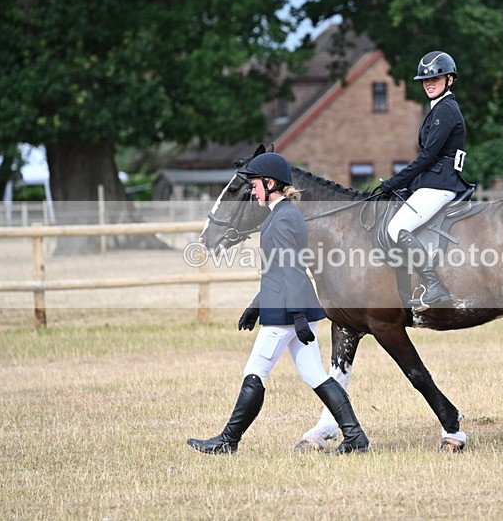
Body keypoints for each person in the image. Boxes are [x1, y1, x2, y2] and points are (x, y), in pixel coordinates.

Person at [187, 152, 369, 455]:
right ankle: (355, 437)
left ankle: (228, 441)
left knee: (255, 371)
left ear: (271, 183)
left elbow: (290, 270)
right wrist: (256, 305)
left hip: (287, 311)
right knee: (315, 375)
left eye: (256, 185)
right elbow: (277, 268)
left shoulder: (284, 218)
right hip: (288, 307)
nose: (253, 191)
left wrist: (297, 316)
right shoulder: (281, 214)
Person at [378, 51, 470, 310]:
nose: (429, 84)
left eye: (436, 78)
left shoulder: (446, 110)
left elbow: (428, 156)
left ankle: (434, 285)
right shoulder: (439, 109)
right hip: (433, 181)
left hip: (440, 184)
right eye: (425, 80)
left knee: (396, 228)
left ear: (450, 79)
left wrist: (394, 182)